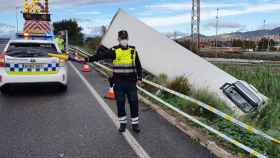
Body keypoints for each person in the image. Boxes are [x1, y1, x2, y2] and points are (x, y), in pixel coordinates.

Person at [86, 30, 142, 133]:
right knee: (120, 103)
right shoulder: (114, 50)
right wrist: (89, 59)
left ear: (127, 38)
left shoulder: (133, 51)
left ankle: (135, 124)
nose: (124, 40)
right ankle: (123, 124)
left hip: (131, 83)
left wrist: (140, 78)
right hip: (119, 83)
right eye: (122, 38)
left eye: (125, 38)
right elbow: (101, 56)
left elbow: (138, 65)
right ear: (118, 39)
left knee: (134, 103)